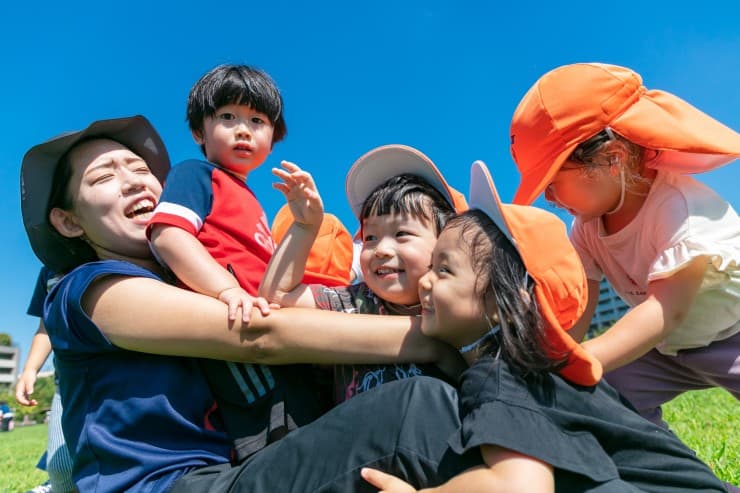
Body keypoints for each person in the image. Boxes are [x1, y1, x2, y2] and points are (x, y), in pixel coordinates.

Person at [20, 115, 479, 492]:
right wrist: (429, 339)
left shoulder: (187, 280)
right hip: (165, 486)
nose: (132, 183)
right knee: (416, 408)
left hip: (228, 472)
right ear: (68, 222)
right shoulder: (90, 289)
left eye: (140, 170)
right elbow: (259, 334)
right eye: (103, 176)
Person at [361, 161, 728, 492]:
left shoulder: (502, 372)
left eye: (443, 270)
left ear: (503, 300)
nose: (426, 281)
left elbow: (519, 488)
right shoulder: (521, 368)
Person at [508, 62, 740, 426]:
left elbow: (666, 311)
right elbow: (577, 309)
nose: (548, 198)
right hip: (666, 352)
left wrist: (582, 359)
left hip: (732, 336)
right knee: (610, 391)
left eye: (552, 181)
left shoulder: (679, 209)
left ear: (610, 158)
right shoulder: (586, 227)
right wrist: (551, 363)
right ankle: (677, 476)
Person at [146, 63, 345, 460]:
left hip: (271, 333)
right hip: (237, 338)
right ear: (198, 132)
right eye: (227, 117)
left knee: (311, 423)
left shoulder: (251, 198)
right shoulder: (196, 174)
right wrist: (226, 288)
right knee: (275, 440)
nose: (243, 129)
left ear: (273, 137)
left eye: (257, 120)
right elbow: (168, 234)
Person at [261, 145, 468, 404]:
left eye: (402, 233)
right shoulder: (354, 303)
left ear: (445, 243)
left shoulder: (459, 309)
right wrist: (305, 226)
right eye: (370, 237)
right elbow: (277, 296)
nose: (380, 249)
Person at [16, 267, 75, 493]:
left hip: (121, 378)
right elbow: (46, 327)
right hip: (69, 382)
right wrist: (30, 368)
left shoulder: (126, 249)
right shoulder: (51, 269)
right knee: (61, 467)